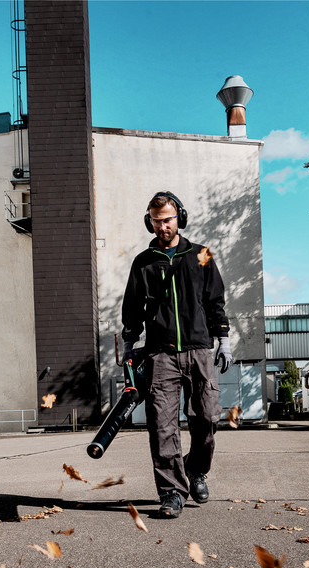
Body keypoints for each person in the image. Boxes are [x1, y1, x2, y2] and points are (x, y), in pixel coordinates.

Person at [120, 191, 233, 519]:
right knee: (162, 426)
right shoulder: (143, 262)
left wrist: (224, 340)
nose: (162, 226)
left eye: (167, 219)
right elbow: (132, 308)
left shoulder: (201, 255)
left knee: (207, 418)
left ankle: (195, 470)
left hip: (199, 350)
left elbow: (215, 301)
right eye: (156, 221)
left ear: (179, 218)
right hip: (160, 354)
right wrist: (129, 344)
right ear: (150, 222)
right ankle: (171, 492)